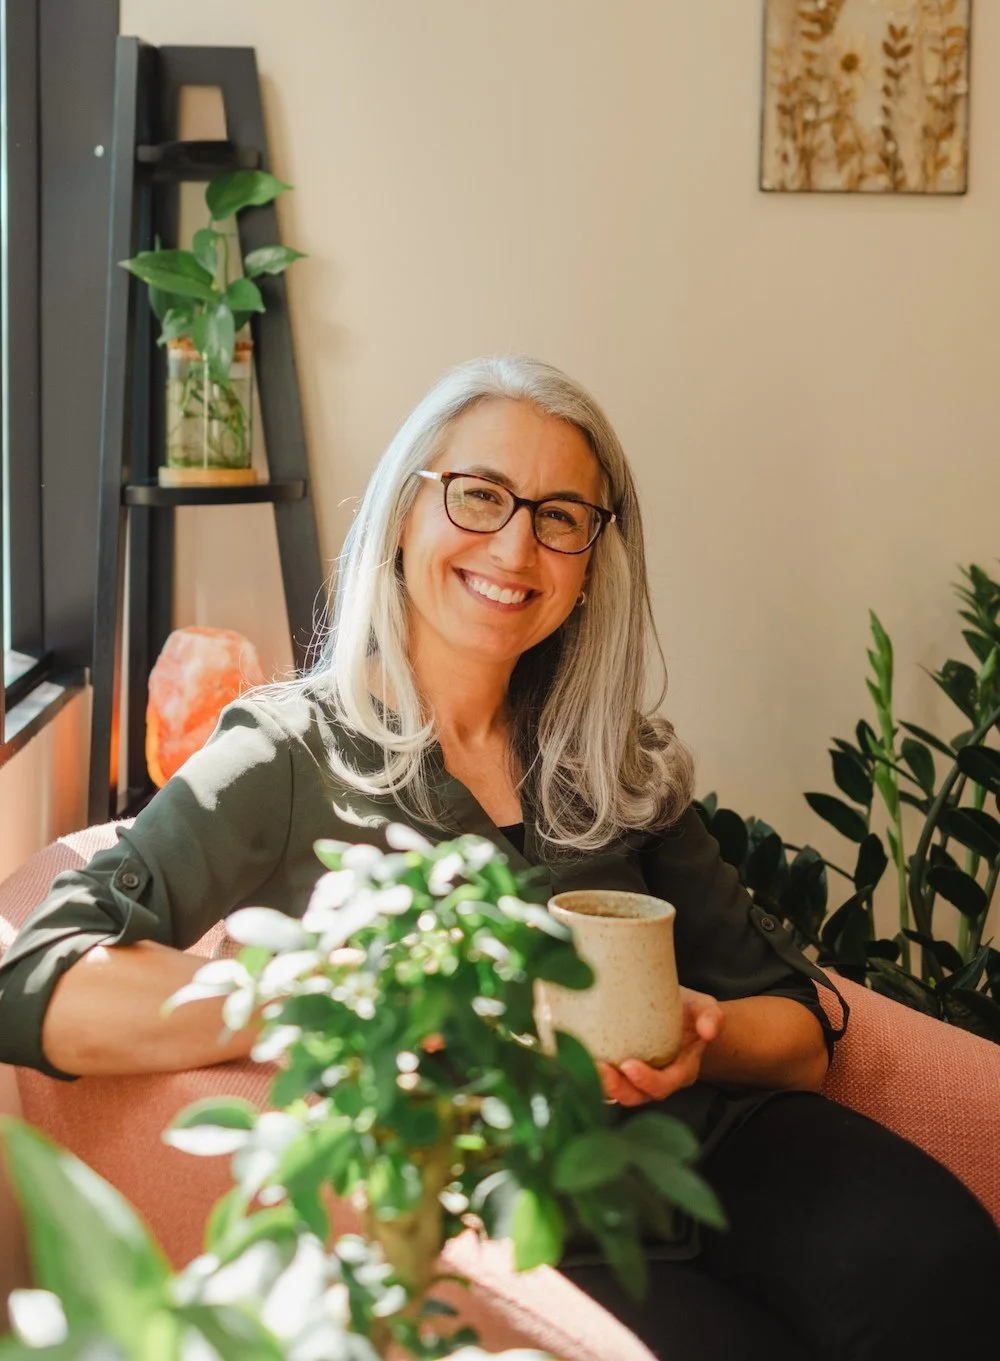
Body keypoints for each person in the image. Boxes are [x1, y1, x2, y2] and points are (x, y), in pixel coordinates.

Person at [0, 355, 997, 1358]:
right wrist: (330, 996)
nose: (516, 544)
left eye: (561, 515)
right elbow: (38, 982)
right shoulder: (285, 752)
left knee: (954, 1269)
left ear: (591, 557)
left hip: (731, 1154)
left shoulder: (613, 758)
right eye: (478, 496)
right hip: (517, 1216)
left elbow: (797, 1032)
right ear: (402, 514)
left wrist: (697, 1033)